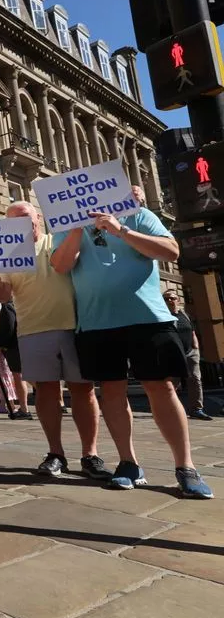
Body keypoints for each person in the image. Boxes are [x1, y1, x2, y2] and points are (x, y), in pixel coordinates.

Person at [50, 204, 212, 498]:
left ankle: (185, 466)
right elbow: (61, 266)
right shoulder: (65, 227)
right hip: (97, 322)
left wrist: (121, 230)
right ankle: (128, 462)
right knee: (111, 390)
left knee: (161, 388)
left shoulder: (137, 215)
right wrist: (75, 228)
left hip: (147, 317)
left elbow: (171, 252)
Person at [0, 202, 110, 480]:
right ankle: (56, 453)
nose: (20, 223)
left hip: (75, 326)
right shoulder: (6, 254)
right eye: (13, 220)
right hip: (33, 329)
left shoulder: (59, 240)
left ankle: (91, 454)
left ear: (38, 217)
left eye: (25, 217)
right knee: (46, 391)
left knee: (83, 390)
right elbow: (4, 296)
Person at [165, 291, 210, 421]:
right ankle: (171, 409)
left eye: (172, 298)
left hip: (191, 352)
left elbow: (192, 330)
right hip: (174, 353)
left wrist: (195, 344)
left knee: (195, 380)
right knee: (173, 383)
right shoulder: (162, 316)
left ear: (178, 300)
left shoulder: (185, 314)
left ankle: (196, 409)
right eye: (166, 299)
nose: (170, 301)